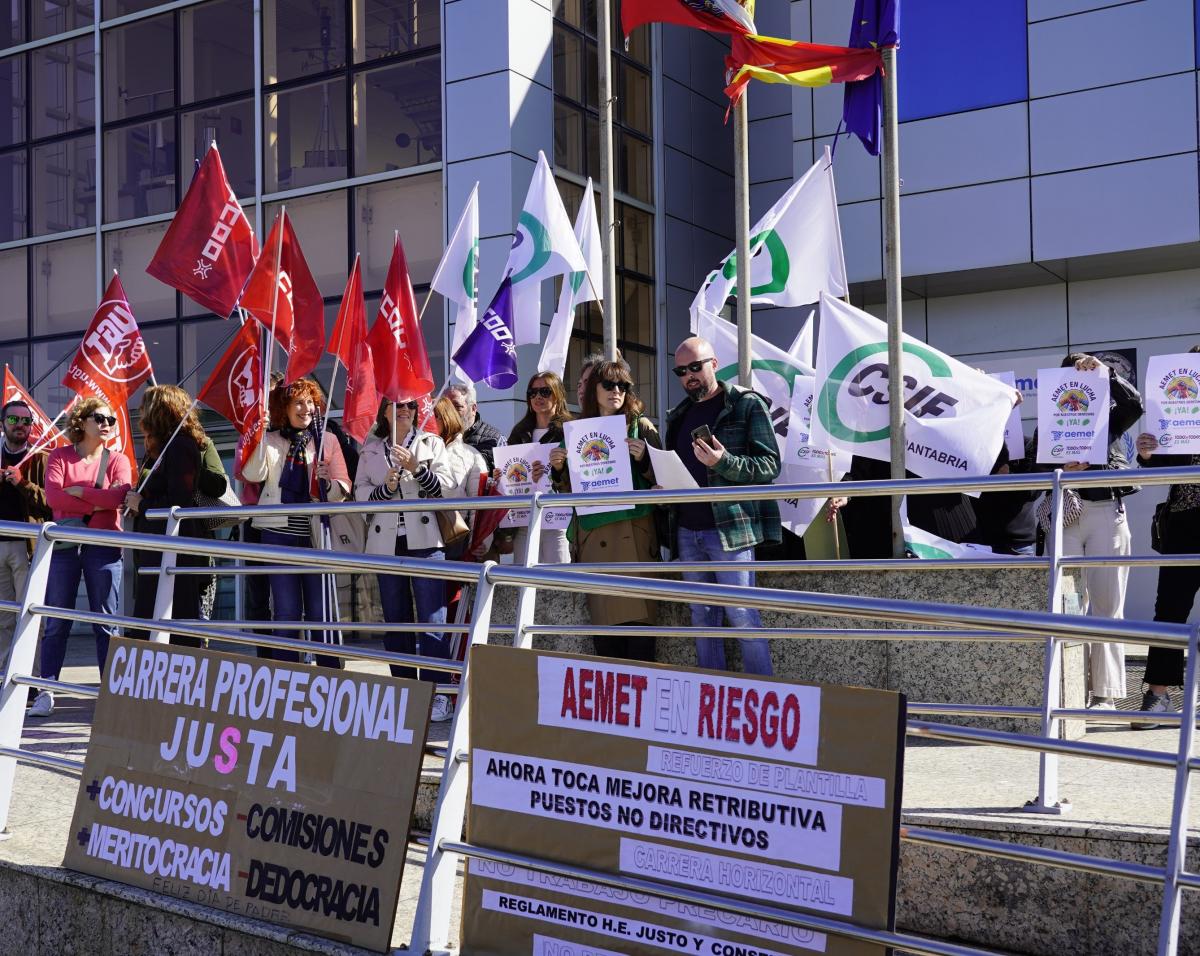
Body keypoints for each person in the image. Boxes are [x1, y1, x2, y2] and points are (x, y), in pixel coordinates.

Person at [664, 336, 780, 675]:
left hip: (730, 530)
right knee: (702, 617)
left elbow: (769, 465)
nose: (689, 376)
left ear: (714, 364)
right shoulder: (679, 415)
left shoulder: (746, 404)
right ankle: (712, 696)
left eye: (696, 367)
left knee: (743, 615)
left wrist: (723, 462)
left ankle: (764, 697)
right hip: (687, 529)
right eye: (681, 371)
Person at [1037, 352, 1143, 710]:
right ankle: (1065, 689)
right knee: (1063, 603)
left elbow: (1135, 404)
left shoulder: (1110, 416)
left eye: (1086, 376)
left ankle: (1105, 695)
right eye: (1071, 377)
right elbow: (1038, 461)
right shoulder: (1050, 418)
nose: (1078, 384)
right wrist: (1060, 464)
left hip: (1105, 510)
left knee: (1107, 604)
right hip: (1066, 509)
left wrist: (1106, 372)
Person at [355, 398, 456, 722]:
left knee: (432, 619)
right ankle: (405, 694)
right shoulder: (371, 450)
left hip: (426, 542)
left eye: (410, 405)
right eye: (397, 405)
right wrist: (385, 488)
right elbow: (360, 496)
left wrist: (416, 468)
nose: (404, 410)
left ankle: (438, 693)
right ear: (384, 410)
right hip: (387, 543)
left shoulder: (431, 443)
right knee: (396, 621)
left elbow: (447, 488)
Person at [552, 359, 660, 661]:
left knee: (640, 634)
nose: (617, 391)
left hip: (634, 533)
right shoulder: (573, 432)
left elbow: (666, 479)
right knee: (606, 637)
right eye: (609, 385)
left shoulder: (642, 426)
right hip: (594, 534)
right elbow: (569, 491)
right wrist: (558, 469)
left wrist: (644, 460)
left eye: (623, 386)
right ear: (592, 390)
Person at [242, 379, 351, 670]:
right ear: (285, 408)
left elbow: (343, 490)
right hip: (277, 535)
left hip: (316, 535)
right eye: (298, 403)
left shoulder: (327, 439)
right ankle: (287, 678)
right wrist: (260, 436)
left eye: (310, 402)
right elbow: (252, 474)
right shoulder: (273, 438)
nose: (306, 409)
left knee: (320, 612)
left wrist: (329, 480)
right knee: (286, 612)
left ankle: (330, 677)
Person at [33, 398, 132, 716]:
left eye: (111, 420)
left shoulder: (118, 460)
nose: (106, 424)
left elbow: (118, 497)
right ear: (81, 422)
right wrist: (97, 502)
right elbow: (53, 498)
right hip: (64, 546)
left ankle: (111, 694)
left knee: (106, 622)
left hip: (103, 545)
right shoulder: (59, 456)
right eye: (99, 418)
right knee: (55, 622)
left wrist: (79, 494)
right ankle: (46, 691)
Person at [1133, 347, 1200, 724]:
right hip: (1185, 521)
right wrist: (1147, 452)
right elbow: (1161, 463)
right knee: (1170, 610)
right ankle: (1157, 695)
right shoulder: (1178, 413)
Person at [123, 385, 220, 645]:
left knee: (174, 618)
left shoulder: (180, 446)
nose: (140, 413)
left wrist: (142, 504)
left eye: (145, 407)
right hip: (160, 547)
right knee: (156, 615)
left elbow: (180, 500)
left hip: (173, 549)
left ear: (159, 410)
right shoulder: (164, 446)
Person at [0, 399, 51, 668]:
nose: (20, 425)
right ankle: (4, 678)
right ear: (2, 424)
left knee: (30, 615)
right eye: (13, 420)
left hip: (27, 546)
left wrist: (23, 483)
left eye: (26, 421)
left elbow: (52, 503)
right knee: (3, 618)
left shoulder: (41, 458)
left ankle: (30, 678)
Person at [506, 371, 573, 565]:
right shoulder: (519, 432)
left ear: (558, 395)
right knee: (523, 580)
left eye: (545, 391)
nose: (538, 397)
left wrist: (558, 467)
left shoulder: (570, 429)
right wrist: (502, 475)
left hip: (559, 517)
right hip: (525, 518)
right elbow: (510, 472)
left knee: (558, 582)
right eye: (532, 392)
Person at [434, 396, 486, 560]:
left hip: (454, 535)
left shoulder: (470, 455)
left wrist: (479, 540)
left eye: (434, 416)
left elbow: (477, 503)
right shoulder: (415, 451)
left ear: (446, 418)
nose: (427, 421)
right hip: (417, 536)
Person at [447, 382, 504, 472]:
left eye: (457, 407)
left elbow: (506, 478)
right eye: (447, 407)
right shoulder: (437, 438)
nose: (451, 413)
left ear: (473, 409)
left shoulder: (495, 440)